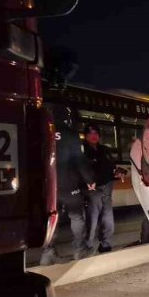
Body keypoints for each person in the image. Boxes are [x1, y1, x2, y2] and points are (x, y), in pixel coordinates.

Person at [40, 106, 94, 265]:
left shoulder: (43, 133)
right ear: (67, 118)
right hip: (69, 184)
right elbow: (79, 160)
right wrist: (89, 180)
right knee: (76, 216)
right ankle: (80, 250)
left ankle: (47, 253)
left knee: (51, 218)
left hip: (48, 186)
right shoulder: (71, 134)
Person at [82, 124, 124, 254]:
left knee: (108, 217)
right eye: (90, 133)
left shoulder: (105, 149)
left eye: (96, 133)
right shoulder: (82, 150)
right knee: (92, 218)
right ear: (86, 136)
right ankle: (88, 245)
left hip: (107, 187)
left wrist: (117, 173)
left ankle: (105, 243)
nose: (93, 136)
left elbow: (112, 167)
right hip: (92, 189)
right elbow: (79, 170)